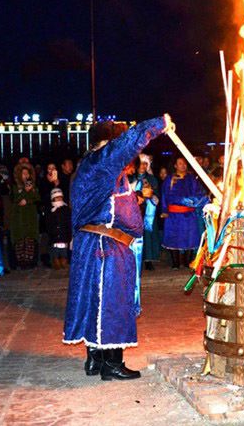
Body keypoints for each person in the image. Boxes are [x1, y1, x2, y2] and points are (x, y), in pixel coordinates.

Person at [63, 115, 172, 380]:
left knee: (93, 301)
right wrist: (160, 124)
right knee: (111, 303)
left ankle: (96, 360)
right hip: (106, 245)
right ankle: (111, 364)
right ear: (106, 143)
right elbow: (126, 144)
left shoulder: (93, 168)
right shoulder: (101, 163)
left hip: (97, 243)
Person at [160, 157, 207, 269]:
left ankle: (187, 262)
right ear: (175, 166)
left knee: (190, 237)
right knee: (174, 237)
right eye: (180, 163)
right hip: (174, 215)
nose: (183, 165)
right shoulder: (170, 179)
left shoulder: (191, 179)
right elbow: (164, 195)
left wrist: (193, 201)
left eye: (184, 163)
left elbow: (200, 193)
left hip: (189, 214)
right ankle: (175, 263)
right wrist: (164, 210)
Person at [131, 154, 161, 270]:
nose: (143, 166)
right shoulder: (130, 177)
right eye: (141, 163)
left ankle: (148, 259)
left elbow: (157, 195)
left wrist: (151, 194)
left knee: (148, 235)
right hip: (133, 210)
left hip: (148, 211)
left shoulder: (152, 179)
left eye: (145, 163)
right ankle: (133, 259)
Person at [11, 162, 40, 268]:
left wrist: (28, 196)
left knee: (30, 239)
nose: (26, 176)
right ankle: (20, 263)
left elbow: (36, 198)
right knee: (20, 240)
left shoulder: (33, 186)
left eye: (27, 174)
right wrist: (25, 192)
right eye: (23, 174)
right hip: (19, 217)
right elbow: (16, 199)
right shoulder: (15, 186)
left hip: (30, 216)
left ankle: (30, 262)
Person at [45, 188, 72, 269]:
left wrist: (68, 232)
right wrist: (50, 231)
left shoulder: (65, 208)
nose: (59, 199)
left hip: (63, 233)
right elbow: (48, 222)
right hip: (54, 235)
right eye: (57, 197)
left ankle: (64, 260)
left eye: (60, 197)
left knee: (63, 250)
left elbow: (68, 221)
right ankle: (55, 261)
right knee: (55, 250)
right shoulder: (50, 210)